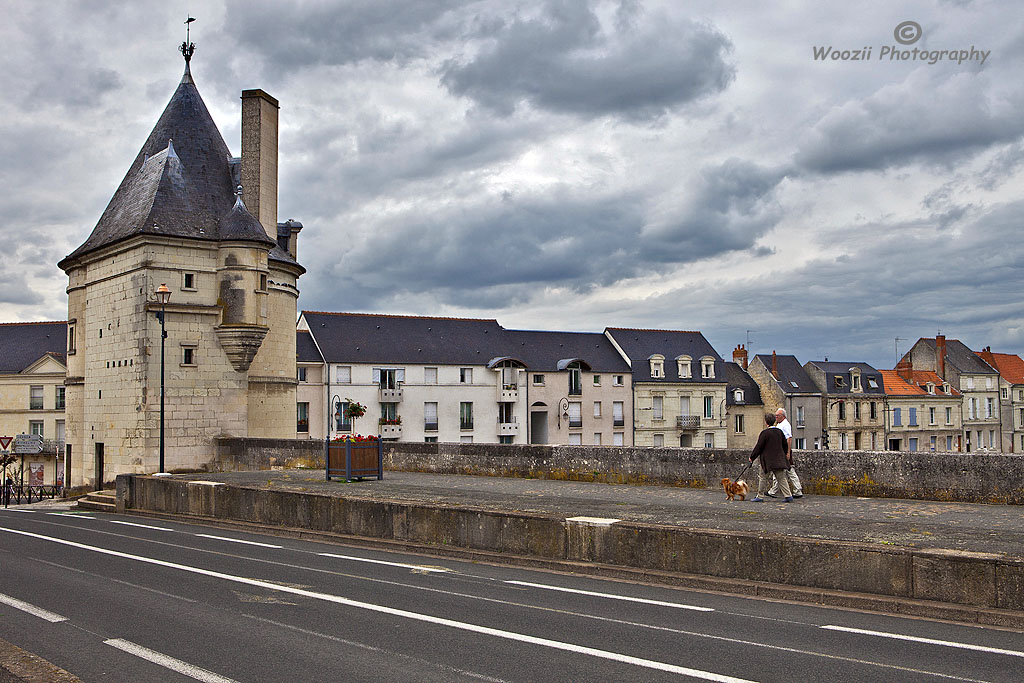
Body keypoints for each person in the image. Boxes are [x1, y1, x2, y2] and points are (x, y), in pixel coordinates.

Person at [749, 413, 793, 502]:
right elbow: (785, 444)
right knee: (781, 478)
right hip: (779, 459)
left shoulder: (764, 433)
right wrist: (785, 454)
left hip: (767, 460)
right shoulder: (779, 432)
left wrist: (752, 457)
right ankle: (788, 495)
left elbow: (759, 447)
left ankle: (760, 496)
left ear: (766, 422)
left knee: (763, 478)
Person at [768, 407, 803, 499]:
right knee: (779, 470)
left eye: (777, 416)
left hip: (784, 451)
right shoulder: (780, 425)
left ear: (782, 416)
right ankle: (773, 491)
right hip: (780, 451)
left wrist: (787, 453)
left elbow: (789, 439)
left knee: (789, 470)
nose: (776, 417)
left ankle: (797, 490)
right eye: (775, 416)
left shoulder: (785, 425)